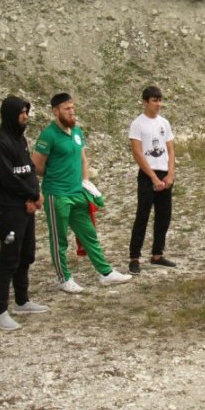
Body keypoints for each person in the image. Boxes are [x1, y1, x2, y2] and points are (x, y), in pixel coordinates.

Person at [32, 93, 132, 293]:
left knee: (89, 233)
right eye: (67, 109)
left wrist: (85, 182)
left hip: (77, 192)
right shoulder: (48, 135)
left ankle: (105, 273)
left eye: (73, 108)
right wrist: (56, 175)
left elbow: (83, 158)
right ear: (55, 111)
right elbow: (37, 166)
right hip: (57, 194)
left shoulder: (77, 131)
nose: (71, 112)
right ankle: (64, 278)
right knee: (59, 238)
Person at [0, 96, 48, 331]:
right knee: (9, 257)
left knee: (26, 254)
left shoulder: (20, 140)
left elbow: (29, 171)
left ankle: (22, 300)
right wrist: (30, 196)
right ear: (10, 114)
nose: (25, 117)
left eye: (27, 112)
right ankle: (0, 311)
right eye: (21, 113)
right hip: (9, 209)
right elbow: (7, 177)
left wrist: (34, 196)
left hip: (25, 207)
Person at [128, 86, 177, 275]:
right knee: (143, 216)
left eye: (160, 100)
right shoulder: (138, 124)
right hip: (148, 174)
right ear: (145, 102)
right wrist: (153, 177)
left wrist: (170, 173)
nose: (158, 104)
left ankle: (157, 254)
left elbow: (170, 149)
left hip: (164, 172)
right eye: (155, 100)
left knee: (164, 216)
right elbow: (138, 153)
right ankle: (134, 257)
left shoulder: (164, 123)